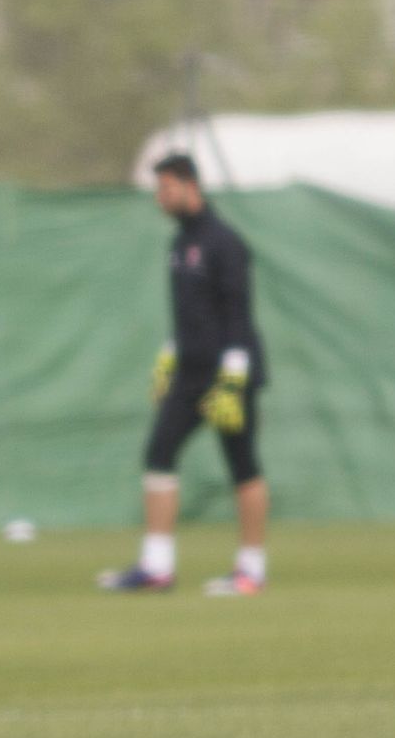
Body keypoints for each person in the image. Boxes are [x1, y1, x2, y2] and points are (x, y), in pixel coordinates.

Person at [99, 153, 270, 596]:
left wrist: (233, 380)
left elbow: (237, 315)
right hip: (190, 375)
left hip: (229, 376)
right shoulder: (179, 244)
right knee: (159, 453)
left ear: (190, 185)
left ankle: (251, 570)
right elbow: (188, 316)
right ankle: (157, 567)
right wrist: (168, 359)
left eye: (166, 187)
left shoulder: (225, 242)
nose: (160, 197)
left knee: (243, 465)